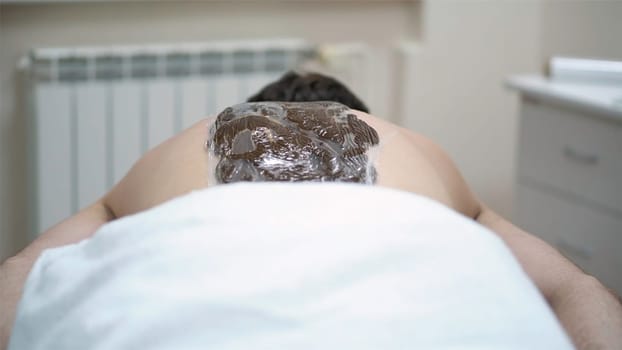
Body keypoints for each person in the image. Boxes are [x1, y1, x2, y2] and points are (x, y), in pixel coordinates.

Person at [1, 72, 621, 350]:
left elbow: (28, 268)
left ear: (253, 111)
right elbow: (573, 286)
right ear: (359, 115)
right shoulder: (412, 146)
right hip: (422, 264)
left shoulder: (185, 143)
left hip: (191, 258)